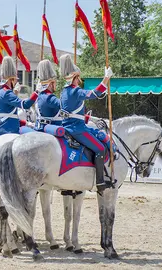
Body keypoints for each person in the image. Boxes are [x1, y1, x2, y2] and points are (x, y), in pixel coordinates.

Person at [59, 54, 113, 192]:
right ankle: (100, 182)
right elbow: (95, 93)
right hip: (77, 129)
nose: (79, 81)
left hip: (67, 126)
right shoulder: (76, 91)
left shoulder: (63, 92)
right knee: (100, 149)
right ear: (75, 78)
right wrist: (106, 78)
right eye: (78, 78)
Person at [0, 56, 38, 135]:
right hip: (9, 131)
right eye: (15, 79)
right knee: (36, 136)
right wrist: (37, 92)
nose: (16, 82)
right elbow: (25, 105)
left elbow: (10, 116)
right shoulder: (7, 93)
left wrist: (26, 123)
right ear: (11, 79)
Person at [34, 59, 61, 132]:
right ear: (51, 83)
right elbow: (66, 106)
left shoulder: (38, 96)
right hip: (52, 131)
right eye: (55, 81)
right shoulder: (49, 97)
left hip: (38, 128)